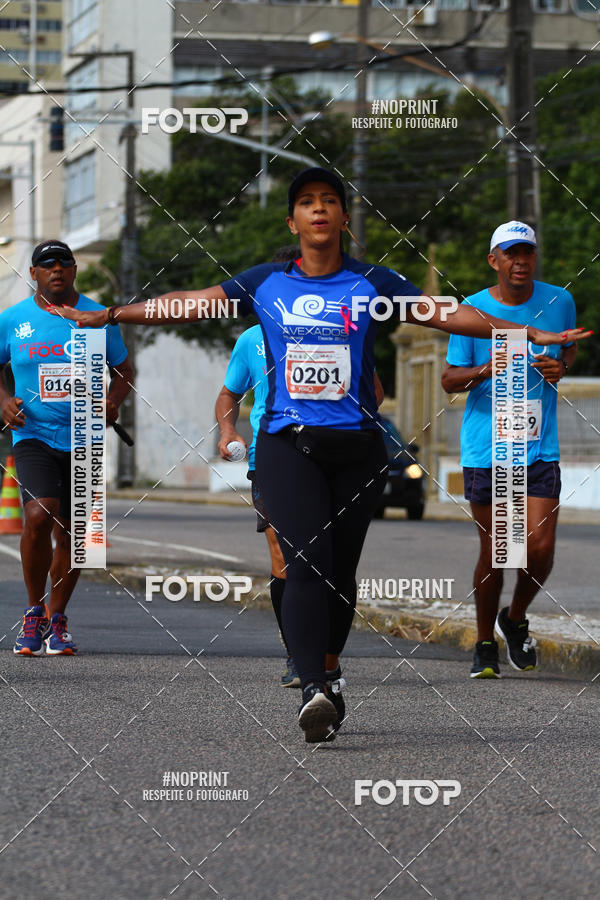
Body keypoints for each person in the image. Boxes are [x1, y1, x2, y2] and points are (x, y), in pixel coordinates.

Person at [52, 173, 588, 741]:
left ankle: (330, 668)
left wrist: (525, 333)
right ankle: (312, 687)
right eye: (307, 203)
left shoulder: (374, 282)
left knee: (339, 572)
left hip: (358, 447)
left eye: (329, 202)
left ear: (342, 219)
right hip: (288, 444)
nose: (319, 210)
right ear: (293, 222)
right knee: (305, 561)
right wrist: (110, 315)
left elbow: (451, 314)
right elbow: (187, 303)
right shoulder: (265, 282)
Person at [442, 221, 581, 678]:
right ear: (494, 260)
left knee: (538, 547)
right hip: (488, 447)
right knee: (502, 547)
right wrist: (486, 368)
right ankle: (484, 641)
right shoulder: (471, 311)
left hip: (540, 444)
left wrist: (559, 366)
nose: (520, 262)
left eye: (528, 254)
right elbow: (449, 380)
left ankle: (514, 617)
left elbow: (567, 354)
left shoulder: (559, 300)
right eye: (511, 254)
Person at [0, 240, 133, 656]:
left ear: (74, 270)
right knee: (38, 514)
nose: (57, 269)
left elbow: (124, 371)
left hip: (86, 436)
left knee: (79, 535)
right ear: (34, 274)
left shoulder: (96, 316)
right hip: (35, 435)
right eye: (47, 264)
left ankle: (58, 619)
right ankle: (33, 610)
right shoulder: (14, 320)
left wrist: (113, 401)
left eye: (64, 263)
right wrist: (3, 401)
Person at [215, 246, 300, 688]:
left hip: (330, 453)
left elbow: (374, 390)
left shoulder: (339, 329)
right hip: (271, 455)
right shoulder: (250, 340)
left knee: (327, 561)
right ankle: (297, 656)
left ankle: (324, 652)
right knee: (283, 554)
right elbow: (228, 395)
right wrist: (228, 431)